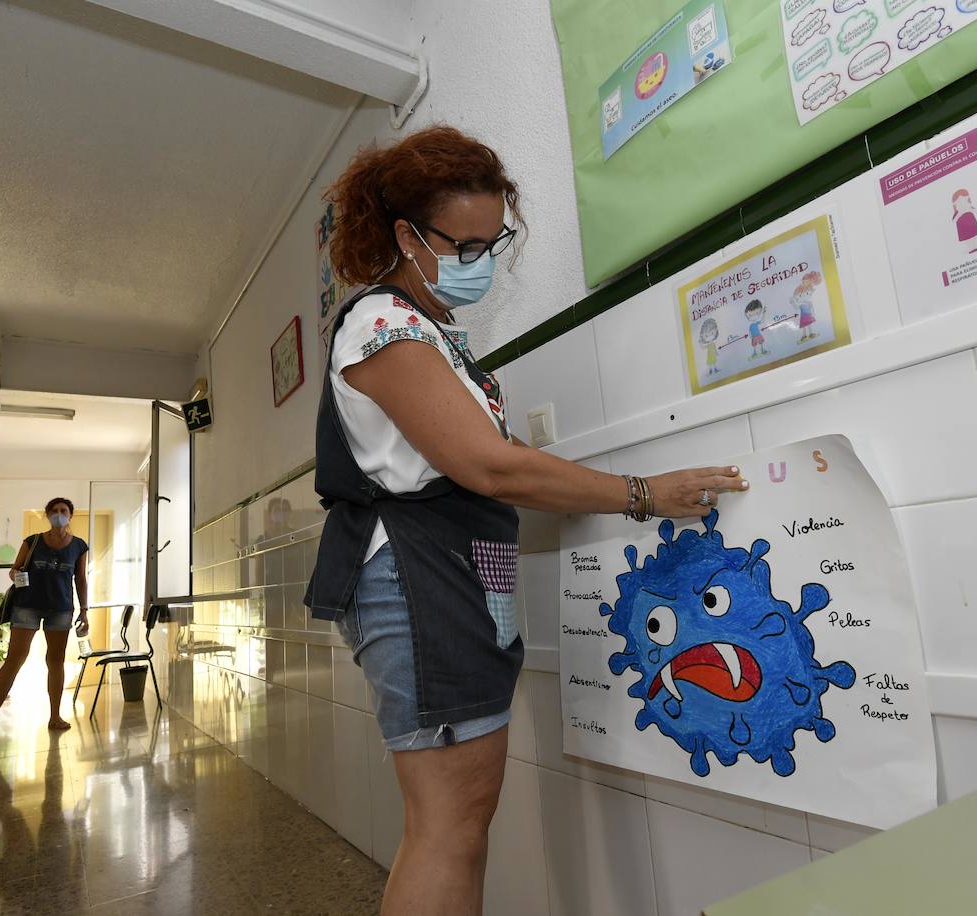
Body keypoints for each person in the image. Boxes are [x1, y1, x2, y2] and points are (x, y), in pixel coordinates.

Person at [304, 125, 748, 915]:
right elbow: (491, 465)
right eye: (462, 244)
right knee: (448, 827)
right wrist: (644, 492)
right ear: (407, 236)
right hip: (419, 579)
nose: (480, 259)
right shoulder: (384, 324)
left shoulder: (437, 335)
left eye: (492, 241)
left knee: (459, 824)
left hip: (456, 579)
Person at [0, 498, 89, 738]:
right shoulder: (32, 541)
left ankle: (55, 717)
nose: (59, 514)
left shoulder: (79, 546)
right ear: (47, 514)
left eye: (63, 511)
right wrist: (16, 575)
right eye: (54, 511)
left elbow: (81, 579)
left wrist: (85, 610)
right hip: (27, 606)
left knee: (56, 661)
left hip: (61, 609)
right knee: (14, 660)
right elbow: (15, 568)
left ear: (70, 515)